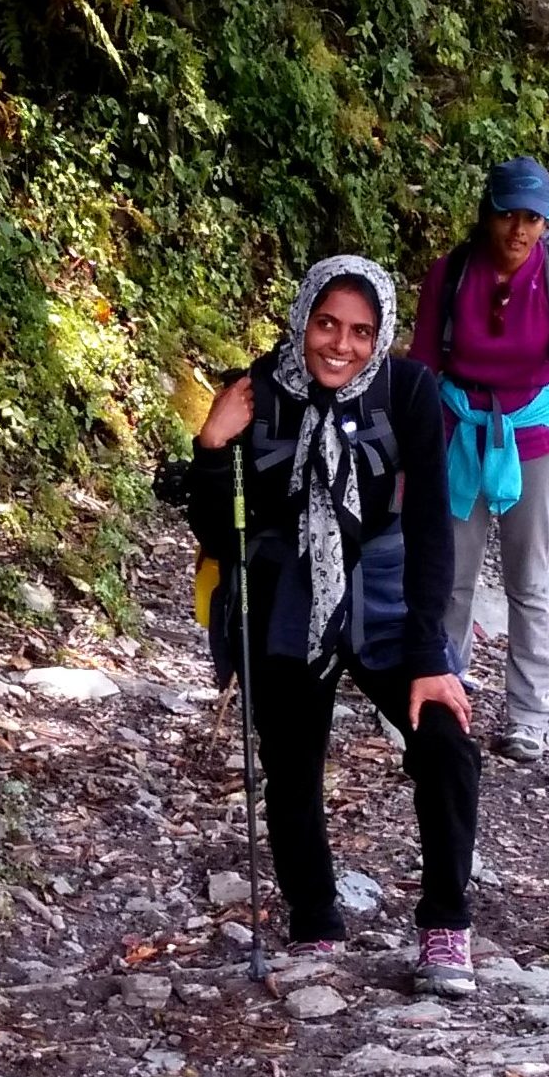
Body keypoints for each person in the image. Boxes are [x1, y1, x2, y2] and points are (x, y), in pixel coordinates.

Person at [187, 255, 483, 998]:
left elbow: (430, 525)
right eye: (326, 324)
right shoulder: (260, 388)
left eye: (360, 330)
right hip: (288, 584)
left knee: (445, 738)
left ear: (380, 335)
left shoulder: (409, 389)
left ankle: (446, 922)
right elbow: (222, 530)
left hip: (383, 580)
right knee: (291, 755)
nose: (339, 345)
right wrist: (213, 447)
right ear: (303, 319)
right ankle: (314, 918)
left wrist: (428, 652)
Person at [408, 157, 549, 759]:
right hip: (458, 430)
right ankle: (440, 701)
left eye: (533, 217)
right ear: (488, 214)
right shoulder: (451, 273)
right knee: (450, 579)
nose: (520, 229)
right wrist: (407, 446)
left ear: (546, 222)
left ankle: (528, 716)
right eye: (509, 214)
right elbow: (423, 363)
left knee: (528, 581)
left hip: (532, 433)